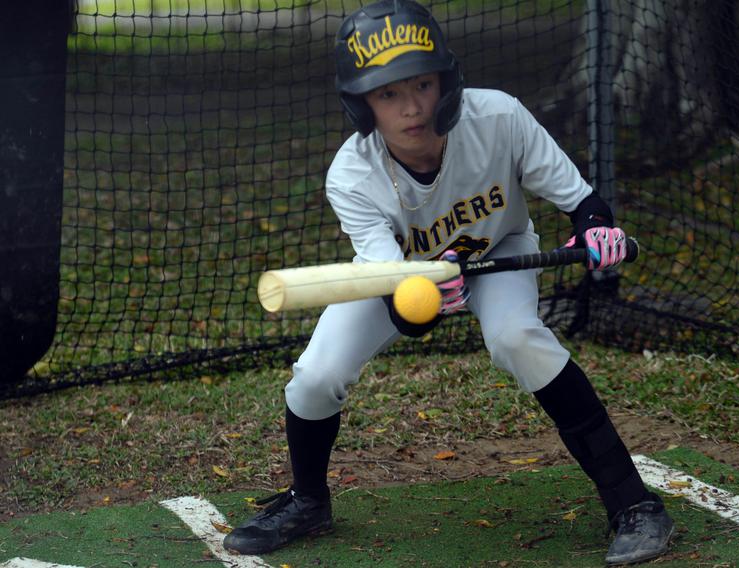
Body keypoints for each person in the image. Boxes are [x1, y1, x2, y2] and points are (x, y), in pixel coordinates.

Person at [223, 0, 674, 564]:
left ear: (446, 83)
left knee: (518, 340)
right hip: (401, 276)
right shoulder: (352, 175)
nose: (411, 107)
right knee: (316, 376)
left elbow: (582, 202)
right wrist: (422, 302)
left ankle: (633, 503)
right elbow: (400, 298)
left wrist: (598, 231)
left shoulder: (499, 118)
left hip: (499, 249)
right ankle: (308, 501)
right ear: (362, 105)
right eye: (388, 94)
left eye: (422, 85)